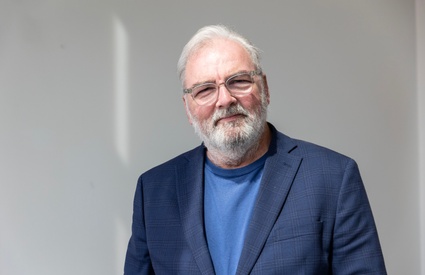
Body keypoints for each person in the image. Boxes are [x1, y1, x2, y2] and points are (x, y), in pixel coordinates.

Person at [124, 25, 387, 274]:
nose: (225, 99)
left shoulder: (332, 178)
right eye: (205, 90)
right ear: (188, 109)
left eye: (238, 81)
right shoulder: (154, 191)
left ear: (265, 89)